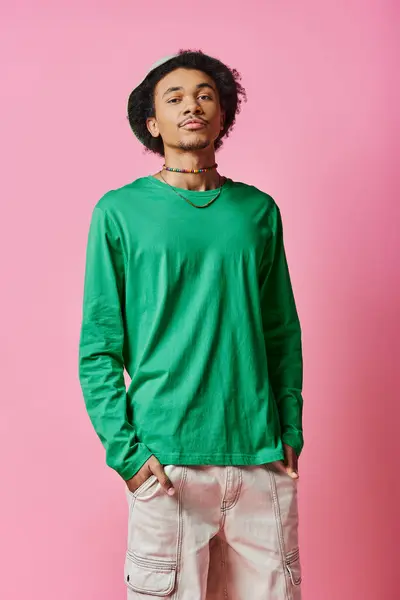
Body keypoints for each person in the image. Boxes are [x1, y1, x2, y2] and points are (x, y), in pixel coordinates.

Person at [78, 49, 304, 600]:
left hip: (261, 462)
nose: (192, 106)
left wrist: (290, 427)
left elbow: (281, 332)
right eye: (174, 98)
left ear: (223, 115)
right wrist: (126, 457)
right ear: (152, 123)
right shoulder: (120, 212)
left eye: (205, 95)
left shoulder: (258, 211)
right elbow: (100, 346)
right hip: (167, 466)